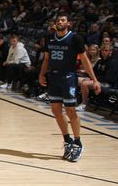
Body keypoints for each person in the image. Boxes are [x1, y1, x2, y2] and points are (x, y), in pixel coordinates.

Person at [39, 15, 100, 161]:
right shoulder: (49, 38)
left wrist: (94, 80)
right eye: (58, 20)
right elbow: (47, 58)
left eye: (63, 20)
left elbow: (85, 60)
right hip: (53, 77)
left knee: (71, 110)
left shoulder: (75, 38)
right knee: (55, 110)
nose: (60, 22)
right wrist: (42, 74)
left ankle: (78, 142)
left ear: (69, 24)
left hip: (68, 78)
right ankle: (67, 140)